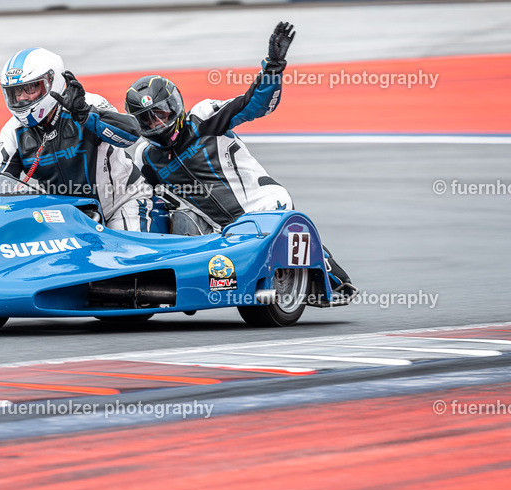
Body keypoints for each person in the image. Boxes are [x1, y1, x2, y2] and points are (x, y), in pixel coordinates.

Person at [124, 22, 356, 299]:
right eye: (147, 119)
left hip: (262, 207)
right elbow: (141, 198)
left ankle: (332, 277)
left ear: (175, 106)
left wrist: (273, 65)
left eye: (161, 113)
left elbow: (255, 104)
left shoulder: (204, 118)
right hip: (220, 229)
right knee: (176, 218)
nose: (157, 123)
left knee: (326, 285)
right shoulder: (146, 156)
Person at [0, 47, 152, 231]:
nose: (21, 98)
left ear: (53, 81)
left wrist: (85, 114)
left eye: (29, 88)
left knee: (124, 254)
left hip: (122, 204)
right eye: (15, 92)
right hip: (68, 218)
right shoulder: (13, 132)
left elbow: (130, 134)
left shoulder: (87, 103)